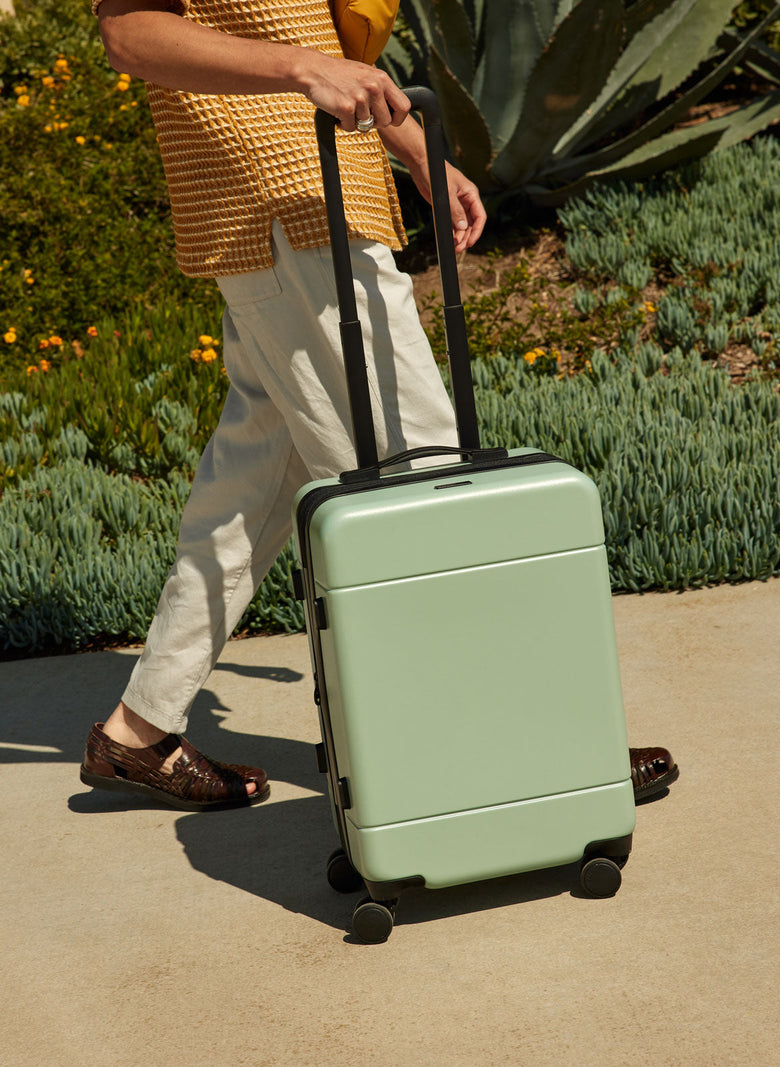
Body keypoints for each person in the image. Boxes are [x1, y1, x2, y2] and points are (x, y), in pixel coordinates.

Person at [80, 0, 679, 812]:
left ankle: (139, 726)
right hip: (288, 199)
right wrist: (305, 72)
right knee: (422, 486)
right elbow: (131, 35)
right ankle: (541, 745)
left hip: (314, 189)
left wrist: (409, 146)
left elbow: (302, 30)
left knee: (249, 488)